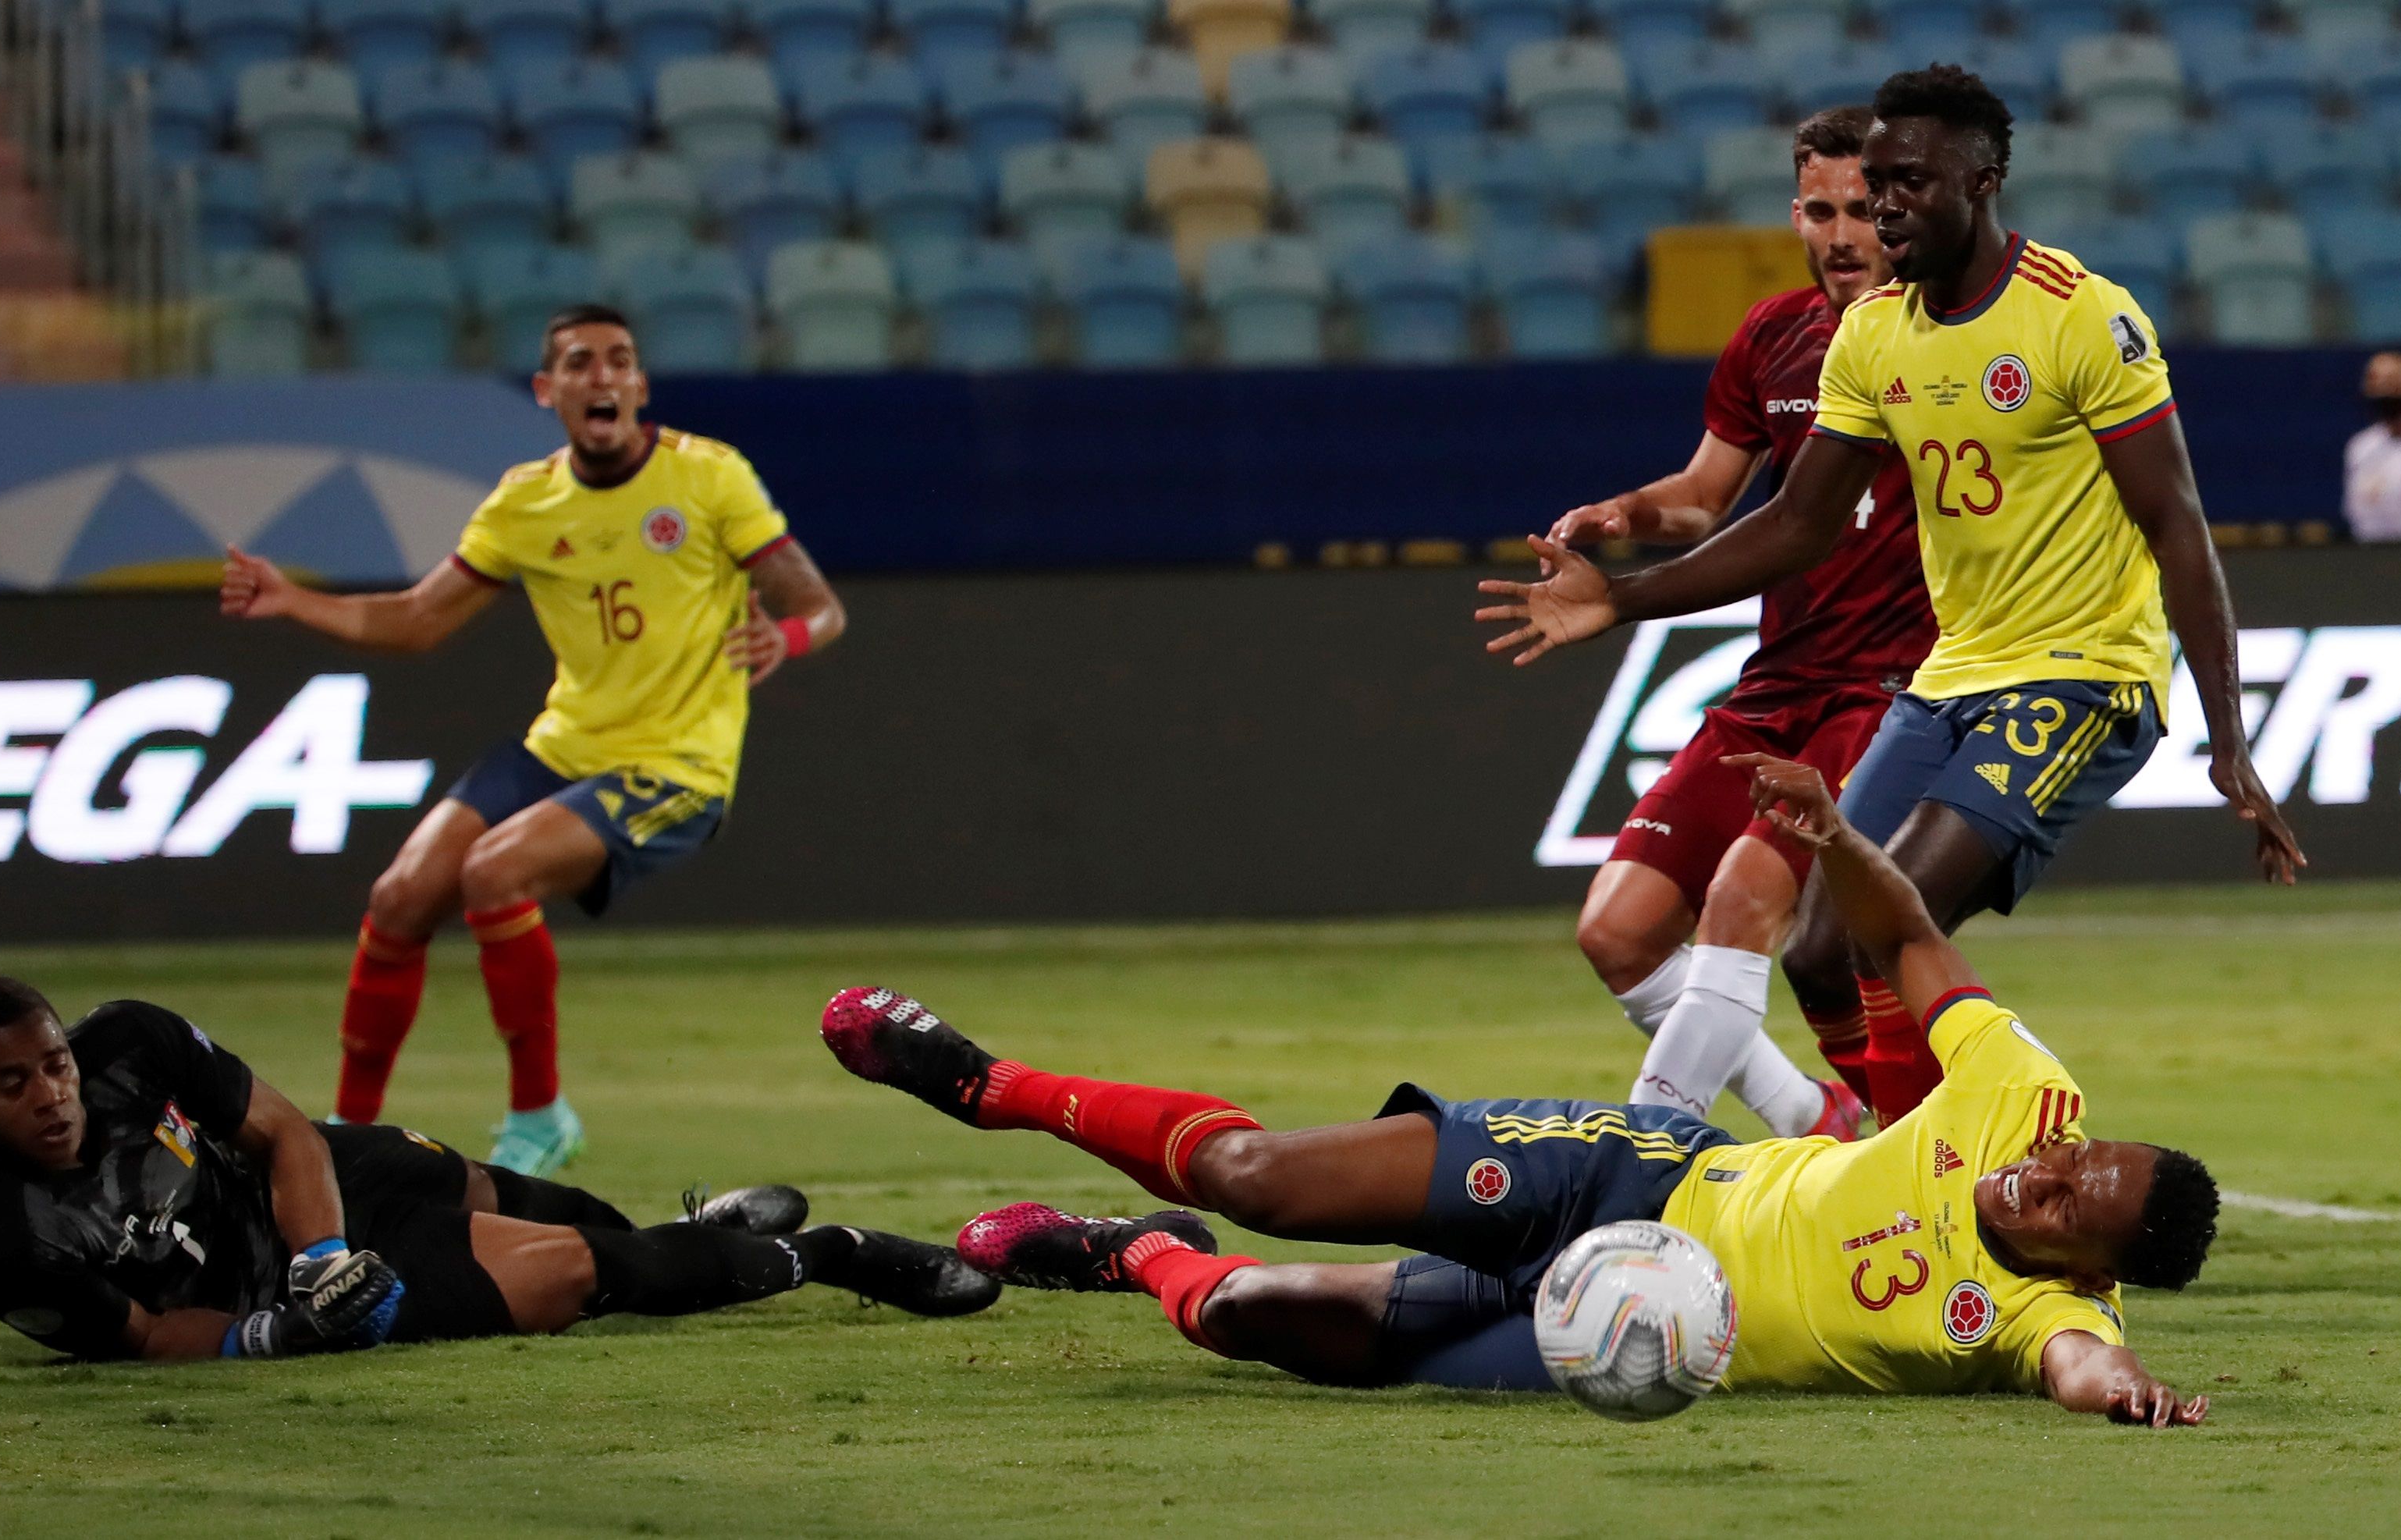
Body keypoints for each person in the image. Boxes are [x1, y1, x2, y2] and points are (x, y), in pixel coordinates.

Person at [817, 752, 2217, 1425]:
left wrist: (2131, 1391)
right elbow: (1909, 939)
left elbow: (2077, 1365)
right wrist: (1842, 836)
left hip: (1627, 1335)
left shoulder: (2042, 1314)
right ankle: (985, 1078)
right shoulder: (2023, 1093)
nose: (2045, 1170)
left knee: (1256, 1316)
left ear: (2090, 1266)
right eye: (2075, 1155)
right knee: (1258, 1176)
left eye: (2064, 1203)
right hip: (1636, 1174)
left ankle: (1130, 1255)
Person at [1477, 65, 2302, 1126]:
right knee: (1819, 943)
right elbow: (1790, 523)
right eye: (1869, 187)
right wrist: (1624, 596)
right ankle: (1922, 1167)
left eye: (1901, 186)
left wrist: (2226, 736)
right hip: (1938, 680)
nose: (1880, 211)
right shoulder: (1869, 337)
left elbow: (2176, 524)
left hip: (2076, 674)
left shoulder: (2082, 317)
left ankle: (1972, 1177)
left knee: (1888, 917)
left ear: (1981, 179)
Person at [220, 303, 847, 1175]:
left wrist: (787, 638)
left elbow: (820, 604)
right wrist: (295, 600)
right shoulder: (526, 500)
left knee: (495, 873)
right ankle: (346, 1140)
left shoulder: (709, 477)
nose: (604, 377)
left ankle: (538, 1115)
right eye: (582, 363)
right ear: (549, 391)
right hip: (563, 748)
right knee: (401, 896)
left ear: (639, 385)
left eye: (620, 360)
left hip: (677, 765)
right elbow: (414, 620)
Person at [0, 972, 994, 1363]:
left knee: (508, 1188)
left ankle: (699, 1228)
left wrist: (319, 1253)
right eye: (12, 1083)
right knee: (580, 1270)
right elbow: (137, 1335)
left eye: (54, 1064)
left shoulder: (132, 1039)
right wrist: (287, 1322)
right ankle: (832, 1254)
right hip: (282, 1297)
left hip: (315, 1202)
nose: (49, 1092)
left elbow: (286, 1134)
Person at [1547, 105, 1932, 1139]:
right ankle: (1817, 1116)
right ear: (1794, 214)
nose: (1844, 233)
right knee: (1617, 931)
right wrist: (1625, 516)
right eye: (1822, 209)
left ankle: (1632, 1165)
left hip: (1887, 690)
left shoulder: (1942, 338)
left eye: (1865, 209)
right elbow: (1704, 495)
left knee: (1743, 905)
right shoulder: (1771, 335)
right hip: (1777, 683)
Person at [2343, 350, 2401, 543]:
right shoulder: (2360, 448)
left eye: (2393, 383)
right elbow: (2355, 512)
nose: (2384, 391)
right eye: (2376, 383)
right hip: (2371, 558)